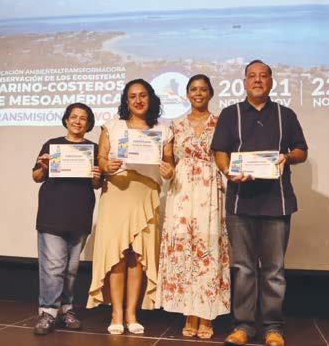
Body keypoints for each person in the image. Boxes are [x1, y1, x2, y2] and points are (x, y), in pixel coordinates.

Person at [211, 60, 308, 346]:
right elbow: (219, 151)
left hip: (277, 203)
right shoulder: (230, 114)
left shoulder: (285, 114)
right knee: (243, 268)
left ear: (271, 81)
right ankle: (243, 326)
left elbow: (301, 151)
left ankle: (273, 328)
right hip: (240, 203)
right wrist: (227, 171)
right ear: (244, 81)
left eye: (263, 76)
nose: (257, 80)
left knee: (274, 271)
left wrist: (287, 157)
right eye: (252, 76)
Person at [87, 79, 174, 335]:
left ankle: (131, 314)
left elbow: (169, 162)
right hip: (117, 192)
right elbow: (101, 159)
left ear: (151, 98)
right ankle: (116, 314)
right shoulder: (112, 126)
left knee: (138, 255)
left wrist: (168, 169)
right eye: (133, 96)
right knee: (117, 255)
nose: (138, 100)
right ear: (126, 100)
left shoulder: (163, 129)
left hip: (145, 194)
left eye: (143, 95)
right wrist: (107, 166)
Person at [156, 74, 230, 339]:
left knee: (207, 247)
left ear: (210, 93)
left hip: (209, 187)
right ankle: (189, 311)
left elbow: (226, 156)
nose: (198, 93)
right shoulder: (175, 125)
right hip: (182, 190)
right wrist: (166, 170)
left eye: (203, 89)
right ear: (187, 94)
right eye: (193, 89)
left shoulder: (221, 122)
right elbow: (168, 160)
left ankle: (206, 313)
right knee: (184, 248)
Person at [31, 103, 103, 335]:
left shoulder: (93, 148)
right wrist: (44, 167)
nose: (77, 121)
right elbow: (36, 176)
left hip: (80, 213)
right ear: (66, 120)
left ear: (88, 124)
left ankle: (65, 310)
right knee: (53, 266)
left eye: (83, 118)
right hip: (52, 213)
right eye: (73, 117)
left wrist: (97, 175)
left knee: (71, 269)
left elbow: (97, 184)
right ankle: (47, 312)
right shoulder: (52, 145)